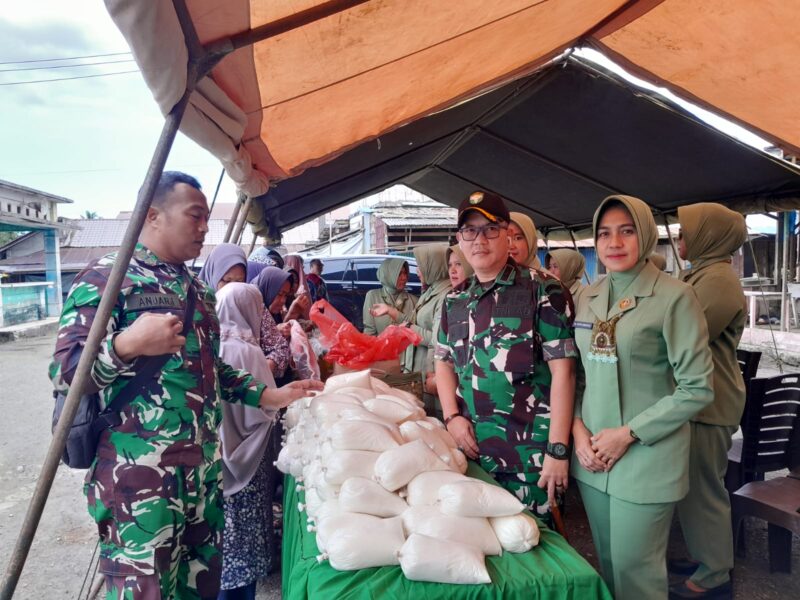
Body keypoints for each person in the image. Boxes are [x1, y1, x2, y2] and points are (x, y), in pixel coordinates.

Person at [49, 171, 321, 599]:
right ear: (153, 216)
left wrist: (270, 395)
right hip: (140, 485)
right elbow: (66, 372)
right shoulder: (109, 277)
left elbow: (215, 371)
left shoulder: (196, 288)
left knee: (200, 589)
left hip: (201, 480)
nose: (204, 227)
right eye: (194, 216)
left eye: (206, 218)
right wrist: (125, 345)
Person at [570, 194, 713, 600]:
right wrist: (579, 432)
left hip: (646, 459)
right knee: (610, 565)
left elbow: (697, 386)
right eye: (604, 233)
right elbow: (577, 376)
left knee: (638, 574)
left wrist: (628, 433)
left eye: (626, 231)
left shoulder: (675, 297)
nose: (614, 242)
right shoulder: (588, 296)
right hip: (593, 457)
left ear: (646, 235)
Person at [434, 190, 577, 521]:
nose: (479, 240)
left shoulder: (543, 290)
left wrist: (558, 450)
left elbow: (564, 374)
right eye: (470, 230)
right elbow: (442, 362)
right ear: (459, 237)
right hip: (471, 453)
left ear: (508, 232)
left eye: (490, 229)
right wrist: (452, 418)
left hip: (531, 460)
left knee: (537, 551)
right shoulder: (453, 300)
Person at [669, 203, 748, 600]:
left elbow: (685, 334)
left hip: (710, 402)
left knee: (703, 490)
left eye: (686, 233)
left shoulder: (717, 280)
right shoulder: (701, 273)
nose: (680, 240)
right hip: (700, 401)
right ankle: (706, 556)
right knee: (692, 487)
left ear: (708, 236)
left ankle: (715, 573)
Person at [216, 283, 279, 600]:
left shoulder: (213, 348)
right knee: (245, 539)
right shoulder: (248, 351)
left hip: (219, 461)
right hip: (249, 465)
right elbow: (266, 408)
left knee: (224, 540)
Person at [372, 244, 451, 415]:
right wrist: (393, 312)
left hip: (433, 373)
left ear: (434, 267)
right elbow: (414, 323)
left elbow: (438, 341)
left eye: (420, 267)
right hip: (420, 370)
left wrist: (408, 327)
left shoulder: (445, 296)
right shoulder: (431, 292)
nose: (417, 273)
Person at [252, 267, 292, 383]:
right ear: (267, 289)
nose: (283, 300)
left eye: (285, 295)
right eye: (279, 294)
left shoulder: (275, 315)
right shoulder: (253, 311)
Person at [362, 258, 417, 335]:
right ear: (387, 275)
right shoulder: (373, 296)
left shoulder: (414, 301)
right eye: (399, 274)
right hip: (381, 346)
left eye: (405, 273)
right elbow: (369, 332)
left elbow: (416, 331)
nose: (404, 278)